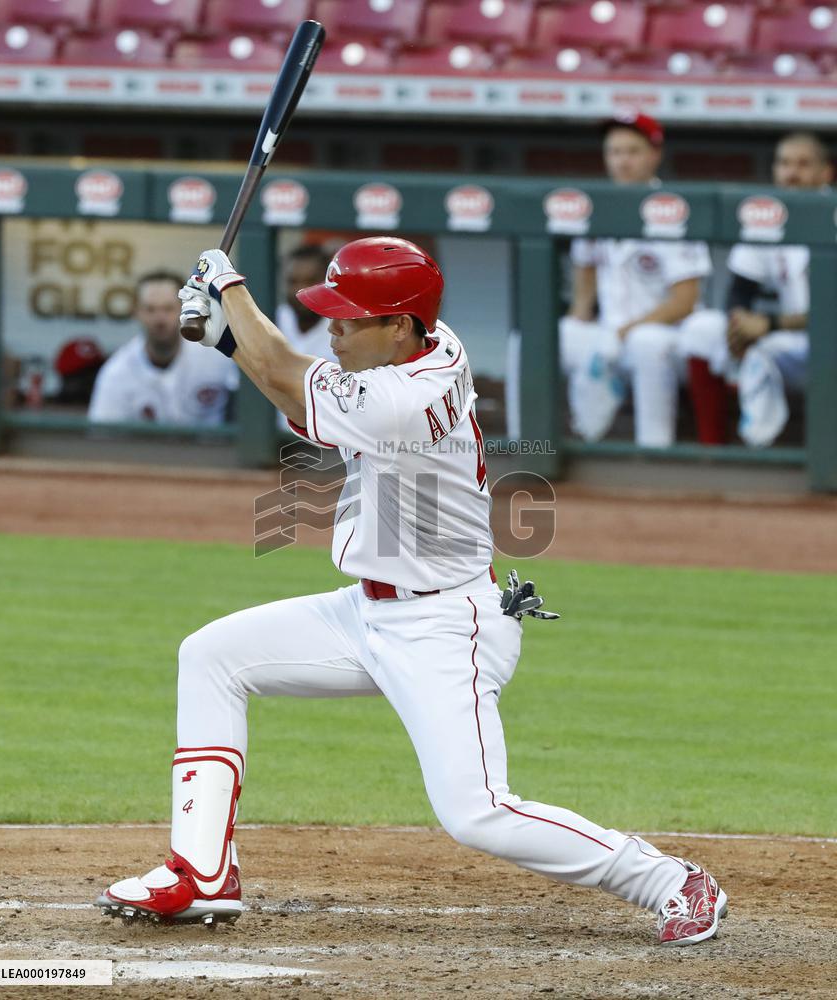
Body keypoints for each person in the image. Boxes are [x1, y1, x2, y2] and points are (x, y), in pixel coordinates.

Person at [96, 237, 727, 946]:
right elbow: (296, 389)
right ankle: (203, 871)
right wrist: (226, 336)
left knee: (476, 813)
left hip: (443, 625)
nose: (333, 326)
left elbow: (286, 374)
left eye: (350, 317)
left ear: (399, 326)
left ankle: (669, 880)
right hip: (366, 611)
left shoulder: (404, 397)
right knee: (211, 655)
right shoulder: (428, 341)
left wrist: (229, 294)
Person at [561, 113, 712, 448]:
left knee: (648, 343)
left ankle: (654, 450)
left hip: (669, 336)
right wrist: (584, 332)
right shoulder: (594, 209)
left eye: (632, 151)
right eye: (614, 152)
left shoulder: (673, 210)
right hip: (611, 333)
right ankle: (530, 445)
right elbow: (583, 299)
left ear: (654, 155)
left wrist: (622, 333)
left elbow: (685, 301)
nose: (621, 161)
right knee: (542, 339)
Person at [680, 132, 833, 446]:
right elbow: (739, 292)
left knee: (764, 352)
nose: (791, 173)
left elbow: (831, 312)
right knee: (703, 328)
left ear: (825, 173)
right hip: (794, 342)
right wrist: (740, 326)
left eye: (803, 164)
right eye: (784, 163)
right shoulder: (769, 216)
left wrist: (769, 325)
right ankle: (719, 448)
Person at [87, 271, 238, 425]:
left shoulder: (218, 356)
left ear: (185, 308)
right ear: (136, 312)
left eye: (168, 308)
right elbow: (103, 441)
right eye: (150, 309)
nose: (160, 319)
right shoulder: (116, 373)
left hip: (213, 448)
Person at [274, 244, 337, 433]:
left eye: (310, 281)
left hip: (330, 444)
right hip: (278, 441)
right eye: (293, 281)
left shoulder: (344, 326)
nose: (300, 290)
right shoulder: (270, 320)